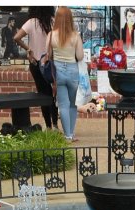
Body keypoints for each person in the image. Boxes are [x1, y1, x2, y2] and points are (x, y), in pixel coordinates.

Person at [14, 7, 57, 130]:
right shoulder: (53, 21)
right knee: (54, 94)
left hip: (36, 63)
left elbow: (16, 37)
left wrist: (28, 49)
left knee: (43, 94)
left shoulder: (31, 22)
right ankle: (55, 124)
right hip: (51, 62)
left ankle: (48, 125)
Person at [49, 7, 84, 142]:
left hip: (58, 72)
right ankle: (71, 133)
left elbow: (49, 55)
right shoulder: (75, 36)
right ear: (70, 18)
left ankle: (67, 135)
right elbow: (80, 56)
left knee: (63, 105)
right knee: (73, 104)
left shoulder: (51, 35)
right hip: (73, 71)